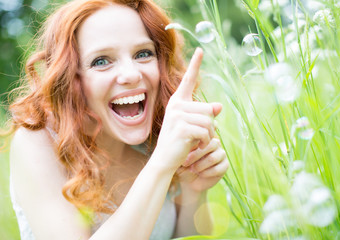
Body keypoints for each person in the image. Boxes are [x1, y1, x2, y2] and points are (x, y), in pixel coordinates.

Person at [8, 0, 228, 239]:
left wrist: (193, 190)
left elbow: (188, 236)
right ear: (71, 78)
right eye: (101, 61)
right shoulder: (38, 142)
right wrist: (161, 164)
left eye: (143, 54)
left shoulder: (159, 132)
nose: (131, 74)